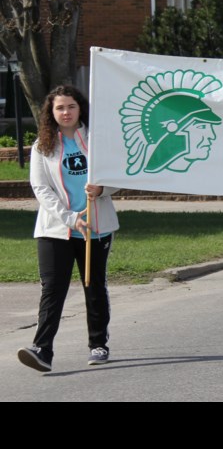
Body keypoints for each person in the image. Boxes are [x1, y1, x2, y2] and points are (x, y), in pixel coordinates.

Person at [18, 85, 120, 372]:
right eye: (59, 108)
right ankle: (42, 350)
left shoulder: (97, 140)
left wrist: (102, 189)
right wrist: (69, 217)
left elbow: (117, 175)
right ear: (51, 113)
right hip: (55, 229)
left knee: (94, 284)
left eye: (70, 106)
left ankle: (98, 344)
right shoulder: (42, 146)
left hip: (95, 227)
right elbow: (41, 188)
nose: (65, 112)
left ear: (80, 109)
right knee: (53, 288)